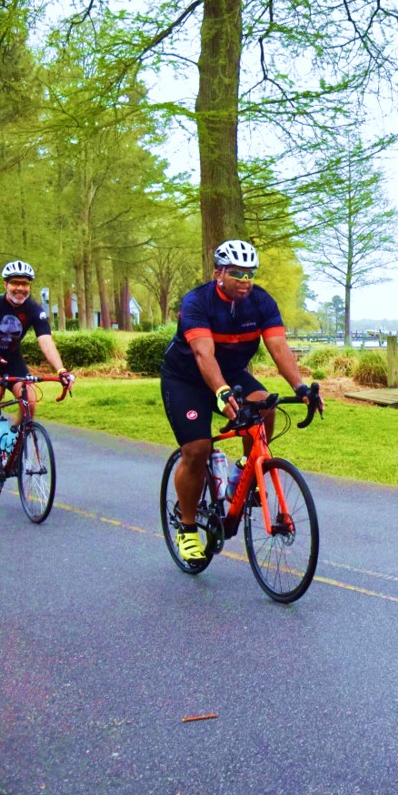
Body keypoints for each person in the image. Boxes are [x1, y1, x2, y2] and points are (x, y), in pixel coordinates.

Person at [160, 240, 322, 560]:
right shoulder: (198, 302)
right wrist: (220, 392)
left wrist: (301, 387)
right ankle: (188, 528)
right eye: (237, 273)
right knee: (197, 449)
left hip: (231, 373)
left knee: (265, 403)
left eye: (250, 273)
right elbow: (203, 354)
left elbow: (279, 349)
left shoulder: (261, 303)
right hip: (187, 379)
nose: (245, 280)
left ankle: (246, 471)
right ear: (218, 272)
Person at [0, 260, 74, 481]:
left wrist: (61, 370)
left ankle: (13, 438)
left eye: (25, 283)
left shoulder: (34, 309)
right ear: (6, 284)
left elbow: (45, 341)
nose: (20, 288)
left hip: (11, 358)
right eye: (15, 283)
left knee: (30, 402)